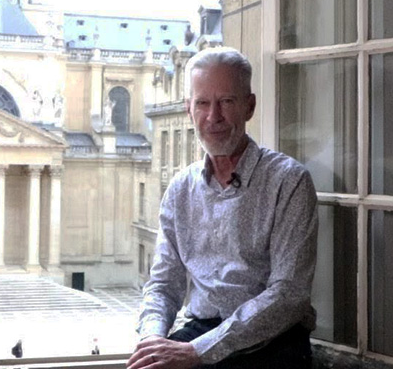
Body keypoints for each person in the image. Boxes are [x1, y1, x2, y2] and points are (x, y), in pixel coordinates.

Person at [129, 47, 318, 369]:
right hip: (201, 333)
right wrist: (151, 340)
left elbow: (288, 295)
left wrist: (198, 351)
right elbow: (163, 285)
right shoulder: (180, 189)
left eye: (226, 102)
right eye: (202, 103)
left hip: (272, 344)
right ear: (189, 109)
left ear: (250, 106)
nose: (213, 117)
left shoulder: (289, 182)